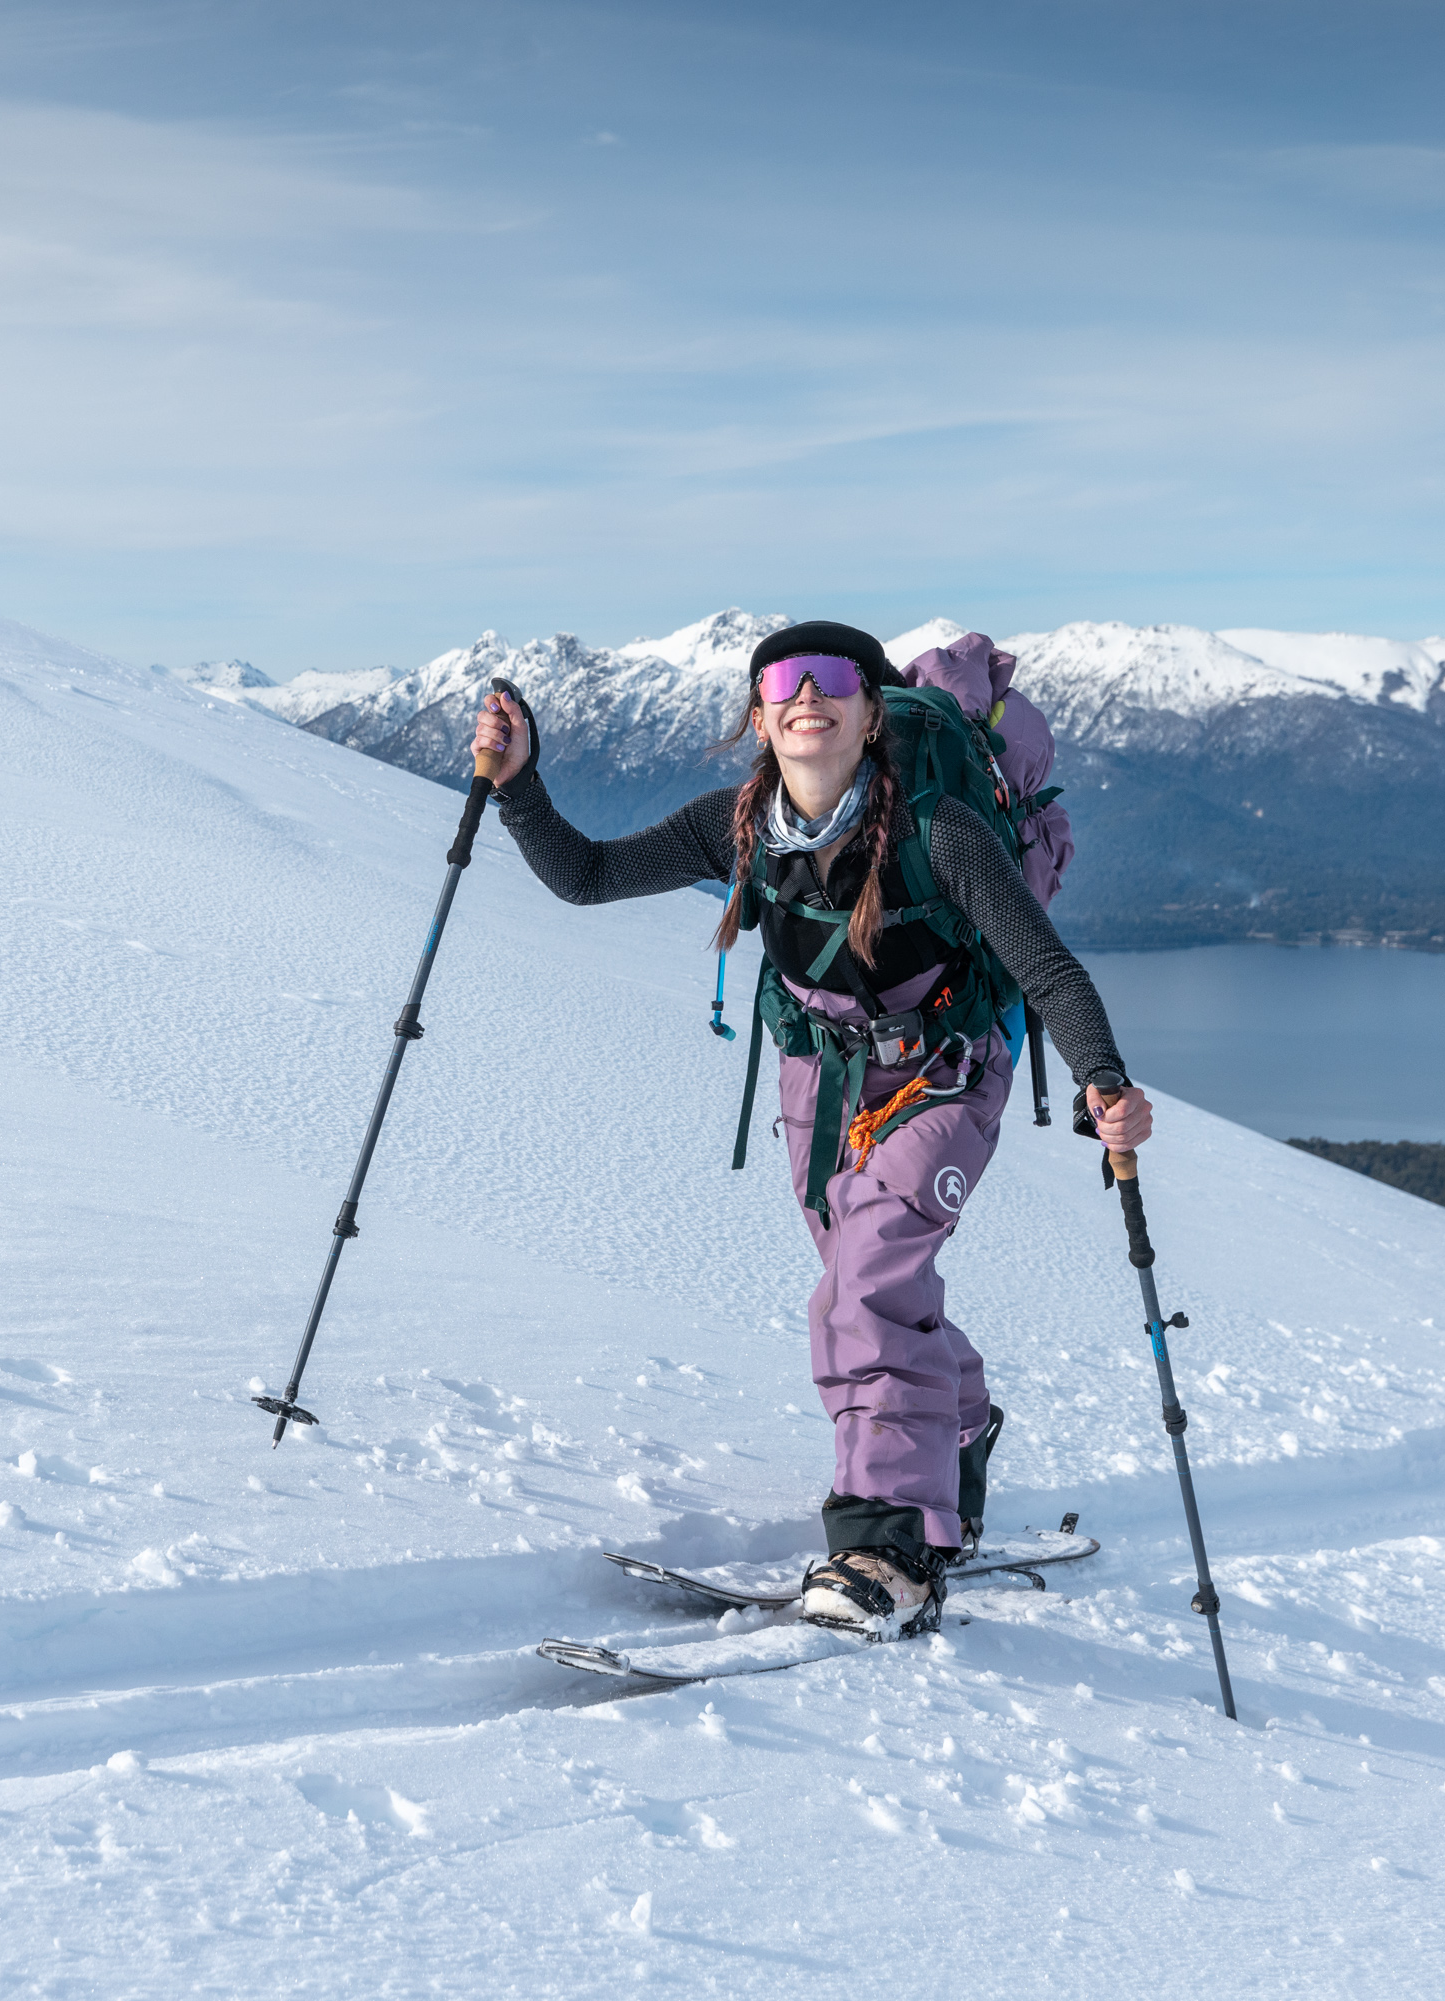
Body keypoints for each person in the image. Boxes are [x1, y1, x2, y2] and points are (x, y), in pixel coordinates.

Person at [473, 620, 1152, 1639]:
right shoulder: (737, 823)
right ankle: (958, 1427)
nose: (806, 696)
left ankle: (891, 1545)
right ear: (759, 716)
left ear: (871, 714)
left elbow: (1047, 970)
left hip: (944, 1069)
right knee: (867, 1284)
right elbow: (587, 875)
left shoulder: (938, 832)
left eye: (833, 679)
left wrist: (1106, 1081)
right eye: (782, 682)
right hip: (821, 1070)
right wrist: (519, 784)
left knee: (865, 1287)